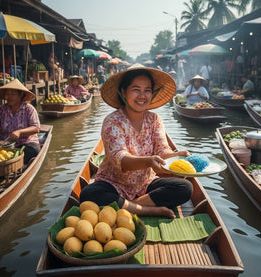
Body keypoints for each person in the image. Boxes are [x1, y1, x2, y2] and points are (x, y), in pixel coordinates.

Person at [79, 64, 193, 218]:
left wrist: (176, 155)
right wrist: (148, 161)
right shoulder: (112, 121)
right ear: (124, 92)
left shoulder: (154, 119)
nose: (142, 95)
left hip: (145, 184)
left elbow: (162, 150)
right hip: (113, 184)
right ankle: (147, 210)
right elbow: (120, 158)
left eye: (147, 90)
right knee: (89, 195)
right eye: (136, 89)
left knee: (185, 187)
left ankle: (128, 206)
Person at [0, 79, 41, 165]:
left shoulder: (29, 109)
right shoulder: (1, 109)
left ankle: (17, 165)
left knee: (33, 150)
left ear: (21, 95)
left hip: (24, 144)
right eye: (7, 94)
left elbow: (36, 128)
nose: (8, 97)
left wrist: (19, 132)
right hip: (4, 145)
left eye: (12, 94)